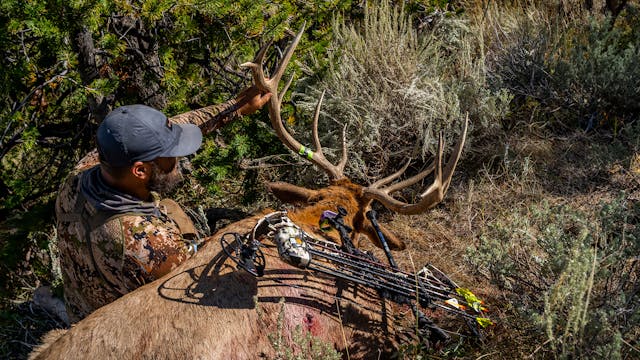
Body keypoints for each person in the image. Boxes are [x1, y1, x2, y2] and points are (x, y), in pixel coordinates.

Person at [55, 86, 271, 323]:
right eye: (171, 155)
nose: (179, 160)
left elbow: (175, 125)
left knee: (168, 206)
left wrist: (235, 108)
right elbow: (195, 283)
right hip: (118, 333)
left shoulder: (80, 176)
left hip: (82, 308)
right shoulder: (152, 245)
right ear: (140, 170)